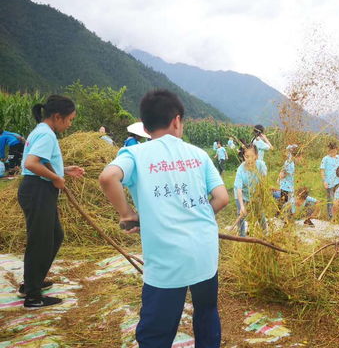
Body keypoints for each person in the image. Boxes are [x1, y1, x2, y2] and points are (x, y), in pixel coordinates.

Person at [99, 89, 229, 347]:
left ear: (146, 127)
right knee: (206, 313)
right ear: (177, 121)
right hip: (204, 252)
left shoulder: (135, 154)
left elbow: (107, 177)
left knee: (156, 332)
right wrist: (196, 214)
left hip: (166, 260)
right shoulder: (199, 154)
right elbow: (222, 198)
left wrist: (127, 215)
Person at [17, 95, 85, 308]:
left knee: (55, 236)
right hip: (38, 190)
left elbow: (42, 161)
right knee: (41, 241)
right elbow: (31, 163)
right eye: (69, 119)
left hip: (37, 189)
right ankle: (32, 296)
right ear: (57, 116)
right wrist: (56, 178)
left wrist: (64, 170)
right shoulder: (47, 135)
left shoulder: (42, 131)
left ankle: (32, 282)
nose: (70, 123)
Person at [233, 144, 267, 237]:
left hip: (255, 194)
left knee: (260, 214)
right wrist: (242, 206)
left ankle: (265, 234)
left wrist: (260, 195)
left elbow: (263, 181)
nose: (249, 159)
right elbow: (239, 189)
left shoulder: (261, 165)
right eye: (247, 156)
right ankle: (242, 236)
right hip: (241, 195)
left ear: (256, 156)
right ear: (244, 156)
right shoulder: (241, 170)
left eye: (252, 156)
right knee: (241, 215)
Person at [320, 142, 339, 219]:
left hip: (338, 180)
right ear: (328, 150)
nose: (333, 153)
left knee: (338, 198)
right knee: (331, 199)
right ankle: (331, 216)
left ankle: (337, 215)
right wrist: (324, 181)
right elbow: (322, 170)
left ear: (337, 150)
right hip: (329, 182)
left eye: (334, 151)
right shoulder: (325, 159)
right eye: (331, 151)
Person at [277, 144, 298, 212]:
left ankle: (283, 213)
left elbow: (284, 172)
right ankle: (282, 213)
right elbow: (283, 171)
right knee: (285, 200)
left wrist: (280, 177)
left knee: (285, 200)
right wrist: (279, 177)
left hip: (287, 185)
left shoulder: (290, 162)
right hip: (286, 185)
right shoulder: (288, 162)